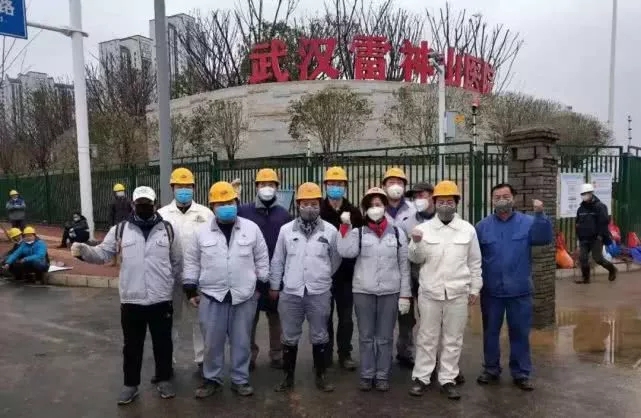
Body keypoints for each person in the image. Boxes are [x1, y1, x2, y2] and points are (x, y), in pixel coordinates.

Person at [70, 186, 182, 405]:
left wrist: (173, 284)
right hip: (132, 300)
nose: (144, 207)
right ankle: (131, 385)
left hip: (160, 299)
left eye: (147, 204)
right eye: (140, 204)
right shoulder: (120, 230)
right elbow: (102, 254)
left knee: (163, 343)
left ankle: (164, 379)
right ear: (133, 205)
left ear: (155, 204)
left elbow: (177, 262)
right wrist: (84, 251)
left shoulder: (168, 230)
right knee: (132, 346)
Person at [184, 181, 269, 398]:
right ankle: (212, 379)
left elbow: (262, 258)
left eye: (229, 202)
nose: (226, 206)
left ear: (237, 202)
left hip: (244, 296)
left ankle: (240, 379)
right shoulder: (201, 232)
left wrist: (260, 285)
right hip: (212, 295)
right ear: (212, 206)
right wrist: (190, 288)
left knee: (242, 342)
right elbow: (192, 261)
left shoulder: (251, 229)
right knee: (212, 343)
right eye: (220, 203)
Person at [407, 181, 482, 400]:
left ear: (456, 203)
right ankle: (422, 377)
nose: (445, 205)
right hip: (430, 292)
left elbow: (474, 262)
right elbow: (415, 259)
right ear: (434, 203)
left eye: (450, 201)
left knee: (453, 338)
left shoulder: (467, 230)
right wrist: (416, 243)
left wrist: (475, 288)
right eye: (441, 201)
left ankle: (448, 378)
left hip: (458, 292)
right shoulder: (423, 229)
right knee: (427, 336)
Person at [475, 183, 553, 391]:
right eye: (497, 197)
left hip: (519, 291)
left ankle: (521, 372)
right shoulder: (482, 227)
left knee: (519, 333)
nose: (501, 200)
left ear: (514, 198)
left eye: (505, 196)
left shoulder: (528, 222)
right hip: (491, 291)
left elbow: (544, 239)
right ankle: (491, 368)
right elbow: (474, 258)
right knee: (490, 332)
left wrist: (540, 214)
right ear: (491, 200)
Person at [269, 182, 342, 393]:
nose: (310, 208)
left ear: (319, 205)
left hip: (319, 292)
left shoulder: (330, 231)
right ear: (298, 205)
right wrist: (275, 285)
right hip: (291, 291)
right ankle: (287, 377)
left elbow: (335, 259)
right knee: (289, 335)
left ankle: (321, 376)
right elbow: (278, 260)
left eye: (314, 204)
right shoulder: (286, 230)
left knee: (320, 334)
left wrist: (322, 275)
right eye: (305, 204)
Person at [337, 187, 411, 392]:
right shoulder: (358, 232)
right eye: (370, 205)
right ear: (365, 209)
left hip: (390, 291)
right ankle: (367, 374)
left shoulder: (397, 233)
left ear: (385, 207)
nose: (375, 208)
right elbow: (345, 251)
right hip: (364, 291)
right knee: (366, 336)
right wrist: (344, 227)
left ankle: (382, 375)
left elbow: (404, 265)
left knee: (385, 337)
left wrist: (405, 295)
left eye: (378, 204)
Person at [157, 167, 213, 380]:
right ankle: (167, 363)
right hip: (169, 279)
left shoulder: (205, 214)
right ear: (172, 188)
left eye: (188, 186)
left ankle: (203, 362)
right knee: (170, 322)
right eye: (180, 186)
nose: (184, 190)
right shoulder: (161, 215)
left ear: (194, 187)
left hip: (198, 278)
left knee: (201, 321)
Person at [238, 168, 292, 371]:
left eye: (271, 184)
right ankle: (249, 356)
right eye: (263, 184)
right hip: (249, 275)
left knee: (276, 316)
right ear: (256, 187)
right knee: (249, 318)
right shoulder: (244, 211)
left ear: (277, 188)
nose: (267, 188)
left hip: (276, 275)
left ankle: (277, 354)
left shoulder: (284, 215)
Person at [319, 166, 364, 370]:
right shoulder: (319, 211)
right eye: (332, 183)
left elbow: (360, 242)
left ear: (345, 186)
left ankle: (345, 354)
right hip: (324, 274)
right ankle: (325, 354)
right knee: (325, 317)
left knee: (346, 318)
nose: (335, 187)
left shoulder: (353, 212)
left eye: (339, 184)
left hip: (346, 274)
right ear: (326, 185)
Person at [381, 167, 416, 368]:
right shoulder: (376, 207)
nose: (396, 186)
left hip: (407, 269)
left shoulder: (412, 209)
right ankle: (382, 353)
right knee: (384, 316)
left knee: (406, 316)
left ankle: (405, 352)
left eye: (400, 182)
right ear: (384, 185)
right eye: (391, 182)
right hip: (383, 268)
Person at [575, 183, 617, 284]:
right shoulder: (581, 208)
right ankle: (586, 279)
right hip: (584, 238)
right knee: (583, 258)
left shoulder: (600, 206)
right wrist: (578, 236)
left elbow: (604, 222)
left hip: (596, 237)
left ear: (591, 193)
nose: (584, 195)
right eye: (582, 194)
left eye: (586, 193)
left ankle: (612, 269)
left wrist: (600, 236)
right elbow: (577, 223)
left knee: (597, 258)